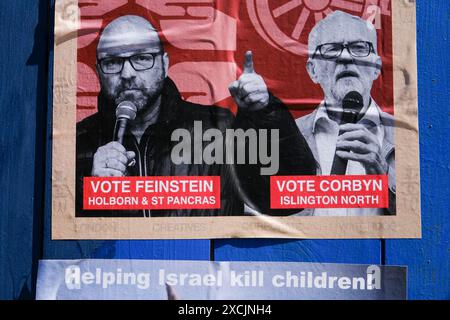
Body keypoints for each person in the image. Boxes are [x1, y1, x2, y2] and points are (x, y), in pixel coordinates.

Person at [76, 15, 315, 217]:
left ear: (164, 63)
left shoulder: (218, 129)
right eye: (113, 62)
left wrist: (265, 113)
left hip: (200, 271)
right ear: (98, 71)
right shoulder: (76, 143)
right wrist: (89, 188)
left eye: (141, 58)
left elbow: (287, 197)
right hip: (117, 272)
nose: (127, 73)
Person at [296, 11, 396, 216]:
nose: (345, 57)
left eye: (359, 48)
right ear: (312, 70)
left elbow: (429, 216)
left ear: (376, 67)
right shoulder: (288, 136)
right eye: (331, 49)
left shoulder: (408, 137)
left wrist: (384, 177)